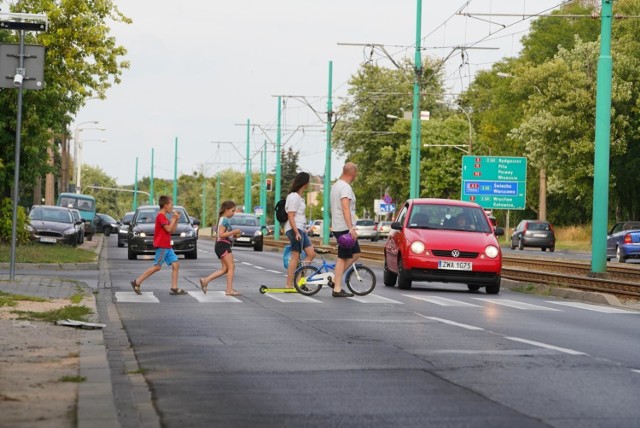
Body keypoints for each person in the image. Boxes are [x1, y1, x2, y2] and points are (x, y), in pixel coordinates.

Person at [130, 195, 187, 295]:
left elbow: (172, 230)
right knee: (157, 267)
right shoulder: (160, 216)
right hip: (162, 246)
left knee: (175, 265)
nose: (172, 207)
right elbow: (168, 229)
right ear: (165, 205)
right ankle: (137, 282)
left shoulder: (164, 217)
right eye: (171, 205)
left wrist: (176, 220)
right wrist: (173, 218)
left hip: (167, 246)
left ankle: (174, 288)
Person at [198, 200, 243, 296]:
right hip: (223, 245)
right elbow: (221, 234)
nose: (233, 213)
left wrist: (233, 236)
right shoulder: (224, 219)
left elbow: (223, 235)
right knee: (231, 267)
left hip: (221, 245)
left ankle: (205, 280)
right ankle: (229, 290)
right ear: (226, 210)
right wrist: (234, 231)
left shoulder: (223, 219)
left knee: (225, 269)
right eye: (232, 210)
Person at [329, 162, 360, 297]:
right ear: (353, 173)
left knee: (355, 253)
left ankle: (336, 279)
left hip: (339, 225)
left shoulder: (336, 185)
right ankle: (337, 288)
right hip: (343, 228)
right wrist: (351, 228)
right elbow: (345, 208)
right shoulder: (345, 188)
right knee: (343, 257)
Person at [284, 172, 316, 288]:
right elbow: (291, 216)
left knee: (311, 253)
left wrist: (303, 230)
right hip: (294, 229)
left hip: (299, 229)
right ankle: (289, 284)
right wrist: (297, 232)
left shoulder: (299, 197)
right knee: (295, 256)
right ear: (305, 183)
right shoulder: (294, 197)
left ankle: (298, 281)